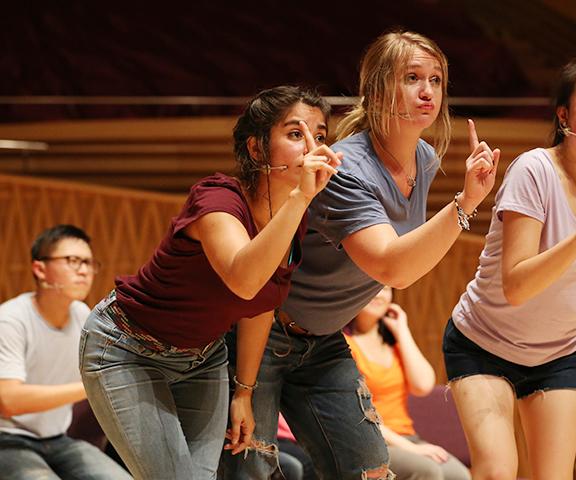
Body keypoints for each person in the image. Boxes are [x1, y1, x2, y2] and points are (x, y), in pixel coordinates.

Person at [221, 30, 499, 480]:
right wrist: (465, 204)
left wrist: (462, 204)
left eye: (436, 79)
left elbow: (406, 258)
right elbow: (392, 266)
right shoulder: (346, 166)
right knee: (252, 472)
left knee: (370, 471)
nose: (428, 91)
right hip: (264, 334)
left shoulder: (424, 159)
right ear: (375, 90)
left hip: (324, 341)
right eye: (412, 77)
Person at [79, 85, 341, 479]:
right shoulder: (217, 199)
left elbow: (261, 305)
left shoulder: (292, 218)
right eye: (295, 134)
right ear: (256, 150)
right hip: (127, 348)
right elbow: (245, 280)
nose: (312, 147)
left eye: (319, 136)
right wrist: (301, 199)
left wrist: (243, 393)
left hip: (203, 361)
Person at [444, 57, 576, 480]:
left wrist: (573, 350)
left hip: (557, 354)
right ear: (563, 115)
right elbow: (517, 285)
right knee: (497, 470)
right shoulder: (533, 170)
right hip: (483, 343)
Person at [0, 225, 131, 480]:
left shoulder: (81, 314)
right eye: (73, 261)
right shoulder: (11, 319)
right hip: (7, 440)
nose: (84, 271)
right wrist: (90, 387)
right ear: (40, 269)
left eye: (89, 263)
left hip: (58, 440)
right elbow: (8, 401)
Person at [346, 286, 470, 480]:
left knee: (458, 475)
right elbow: (354, 413)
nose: (379, 294)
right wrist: (412, 449)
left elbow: (423, 385)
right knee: (427, 471)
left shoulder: (394, 344)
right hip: (371, 441)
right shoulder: (344, 345)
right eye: (371, 287)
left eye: (385, 289)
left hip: (405, 436)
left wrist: (402, 329)